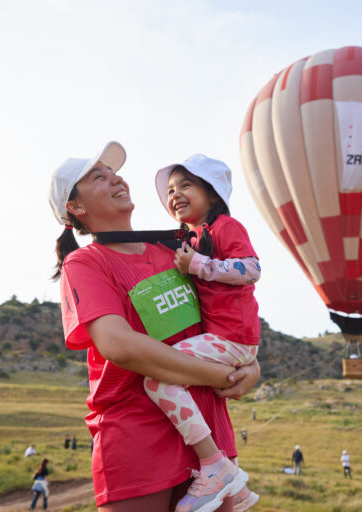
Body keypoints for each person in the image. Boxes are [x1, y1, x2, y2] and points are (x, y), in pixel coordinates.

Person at [49, 141, 260, 512]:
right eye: (99, 177)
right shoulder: (85, 263)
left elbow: (223, 315)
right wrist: (222, 375)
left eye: (114, 173)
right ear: (76, 207)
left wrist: (251, 365)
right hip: (138, 435)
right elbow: (120, 346)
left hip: (208, 434)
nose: (117, 179)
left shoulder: (173, 252)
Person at [143, 154, 262, 511]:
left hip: (232, 336)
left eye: (185, 185)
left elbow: (252, 269)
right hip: (226, 337)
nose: (175, 194)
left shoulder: (226, 226)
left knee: (157, 378)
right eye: (169, 190)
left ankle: (214, 465)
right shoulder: (192, 237)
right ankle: (236, 488)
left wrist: (200, 265)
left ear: (212, 194)